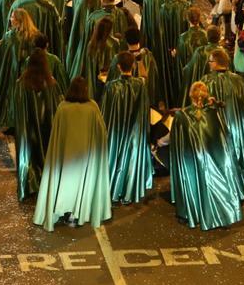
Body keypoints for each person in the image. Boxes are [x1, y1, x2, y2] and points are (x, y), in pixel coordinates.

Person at [32, 77, 112, 231]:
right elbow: (102, 131)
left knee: (63, 183)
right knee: (81, 184)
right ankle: (76, 214)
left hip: (65, 157)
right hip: (85, 155)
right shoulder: (92, 107)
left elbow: (56, 132)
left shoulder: (63, 107)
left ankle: (62, 210)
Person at [168, 81, 243, 230]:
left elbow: (176, 141)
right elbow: (223, 136)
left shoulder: (182, 115)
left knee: (195, 181)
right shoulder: (213, 113)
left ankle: (195, 212)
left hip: (193, 158)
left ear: (190, 95)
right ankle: (222, 212)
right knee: (214, 182)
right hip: (212, 157)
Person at [201, 48, 244, 199]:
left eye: (210, 61)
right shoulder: (238, 80)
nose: (209, 64)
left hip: (218, 128)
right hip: (238, 126)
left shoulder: (207, 81)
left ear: (216, 63)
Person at [100, 51, 153, 204]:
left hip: (116, 131)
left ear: (117, 66)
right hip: (134, 131)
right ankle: (128, 191)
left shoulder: (110, 86)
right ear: (133, 65)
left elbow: (106, 112)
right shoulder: (140, 86)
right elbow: (144, 109)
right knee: (130, 159)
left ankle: (113, 189)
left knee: (115, 156)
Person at [12, 47, 61, 200]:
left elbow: (18, 109)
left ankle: (29, 182)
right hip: (46, 126)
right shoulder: (51, 83)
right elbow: (55, 106)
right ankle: (46, 181)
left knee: (29, 153)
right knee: (45, 150)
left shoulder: (21, 83)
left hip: (28, 127)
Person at [0, 8, 40, 132]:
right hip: (28, 72)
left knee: (11, 96)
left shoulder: (10, 36)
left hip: (12, 73)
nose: (10, 19)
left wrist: (0, 45)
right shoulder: (34, 35)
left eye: (12, 17)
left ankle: (11, 122)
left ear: (18, 21)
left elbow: (5, 55)